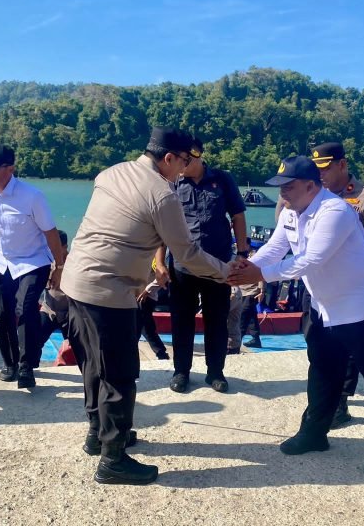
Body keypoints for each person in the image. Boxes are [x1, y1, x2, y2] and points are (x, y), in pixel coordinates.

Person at [61, 127, 230, 486]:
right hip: (109, 292)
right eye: (184, 161)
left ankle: (98, 434)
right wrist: (227, 272)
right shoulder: (162, 195)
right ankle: (114, 459)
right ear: (168, 158)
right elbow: (187, 254)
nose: (185, 169)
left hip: (75, 283)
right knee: (120, 376)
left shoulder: (111, 173)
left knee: (93, 366)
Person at [228, 155, 364, 476]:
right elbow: (274, 247)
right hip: (325, 306)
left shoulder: (334, 211)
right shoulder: (293, 212)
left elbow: (311, 259)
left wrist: (260, 275)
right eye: (280, 187)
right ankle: (315, 432)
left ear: (311, 186)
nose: (283, 193)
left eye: (289, 187)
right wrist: (248, 264)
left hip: (361, 306)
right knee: (322, 373)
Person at [0, 144, 66, 390]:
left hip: (33, 261)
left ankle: (27, 365)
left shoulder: (32, 196)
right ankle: (10, 363)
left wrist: (59, 266)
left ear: (10, 168)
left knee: (25, 309)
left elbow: (51, 233)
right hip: (3, 261)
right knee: (2, 315)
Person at [159, 136, 248, 394]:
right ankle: (181, 372)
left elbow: (238, 215)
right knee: (182, 321)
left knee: (216, 320)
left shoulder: (222, 179)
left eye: (187, 160)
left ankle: (215, 372)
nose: (182, 164)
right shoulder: (173, 182)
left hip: (218, 264)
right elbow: (162, 224)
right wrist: (159, 262)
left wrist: (241, 253)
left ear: (198, 157)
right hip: (182, 266)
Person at [311, 141, 364, 426]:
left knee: (351, 351)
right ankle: (324, 402)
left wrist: (363, 278)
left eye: (326, 168)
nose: (321, 174)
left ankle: (340, 403)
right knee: (320, 346)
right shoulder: (314, 195)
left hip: (354, 287)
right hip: (321, 286)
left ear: (342, 165)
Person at [34, 229, 70, 367]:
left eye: (54, 247)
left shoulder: (75, 263)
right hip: (49, 309)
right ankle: (32, 369)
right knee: (35, 340)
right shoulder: (46, 261)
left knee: (76, 346)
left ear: (65, 247)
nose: (51, 250)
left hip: (69, 312)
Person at [136, 264, 170, 360]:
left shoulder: (155, 256)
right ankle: (161, 352)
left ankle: (161, 352)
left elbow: (163, 274)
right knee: (144, 326)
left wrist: (148, 289)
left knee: (143, 326)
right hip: (140, 295)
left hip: (145, 296)